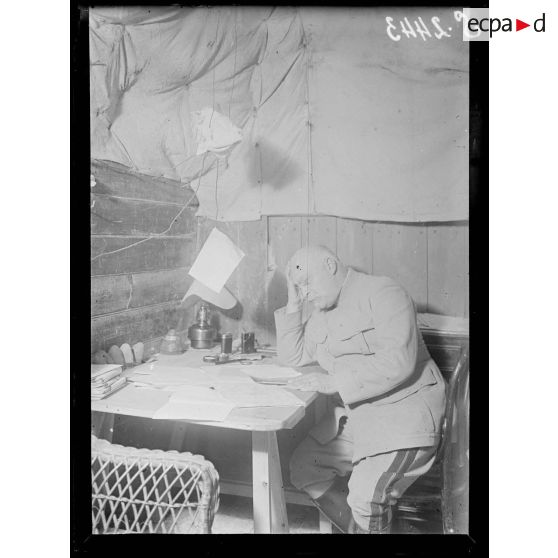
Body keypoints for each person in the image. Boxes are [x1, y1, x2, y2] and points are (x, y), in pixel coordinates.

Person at [274, 245, 446, 534]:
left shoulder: (383, 292)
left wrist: (335, 382)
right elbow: (294, 356)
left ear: (330, 265)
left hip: (404, 417)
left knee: (365, 497)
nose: (305, 293)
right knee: (304, 467)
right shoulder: (322, 310)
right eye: (298, 288)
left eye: (306, 283)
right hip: (362, 419)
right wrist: (293, 303)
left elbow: (398, 361)